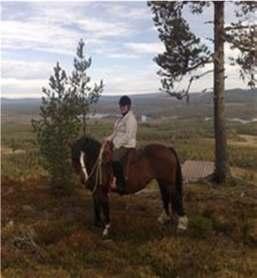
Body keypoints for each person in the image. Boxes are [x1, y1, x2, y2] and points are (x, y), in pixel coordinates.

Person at [104, 95, 137, 194]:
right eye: (121, 106)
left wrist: (115, 144)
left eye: (124, 106)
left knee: (114, 158)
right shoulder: (121, 119)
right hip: (117, 143)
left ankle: (120, 183)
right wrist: (108, 139)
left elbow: (128, 136)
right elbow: (115, 133)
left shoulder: (131, 120)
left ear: (128, 106)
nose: (122, 108)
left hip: (127, 145)